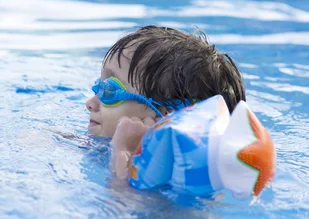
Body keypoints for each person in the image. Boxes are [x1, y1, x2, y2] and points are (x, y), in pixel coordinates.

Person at [85, 26, 246, 178]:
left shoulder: (179, 177)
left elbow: (121, 206)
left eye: (108, 90)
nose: (90, 103)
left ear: (165, 117)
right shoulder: (99, 145)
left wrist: (124, 153)